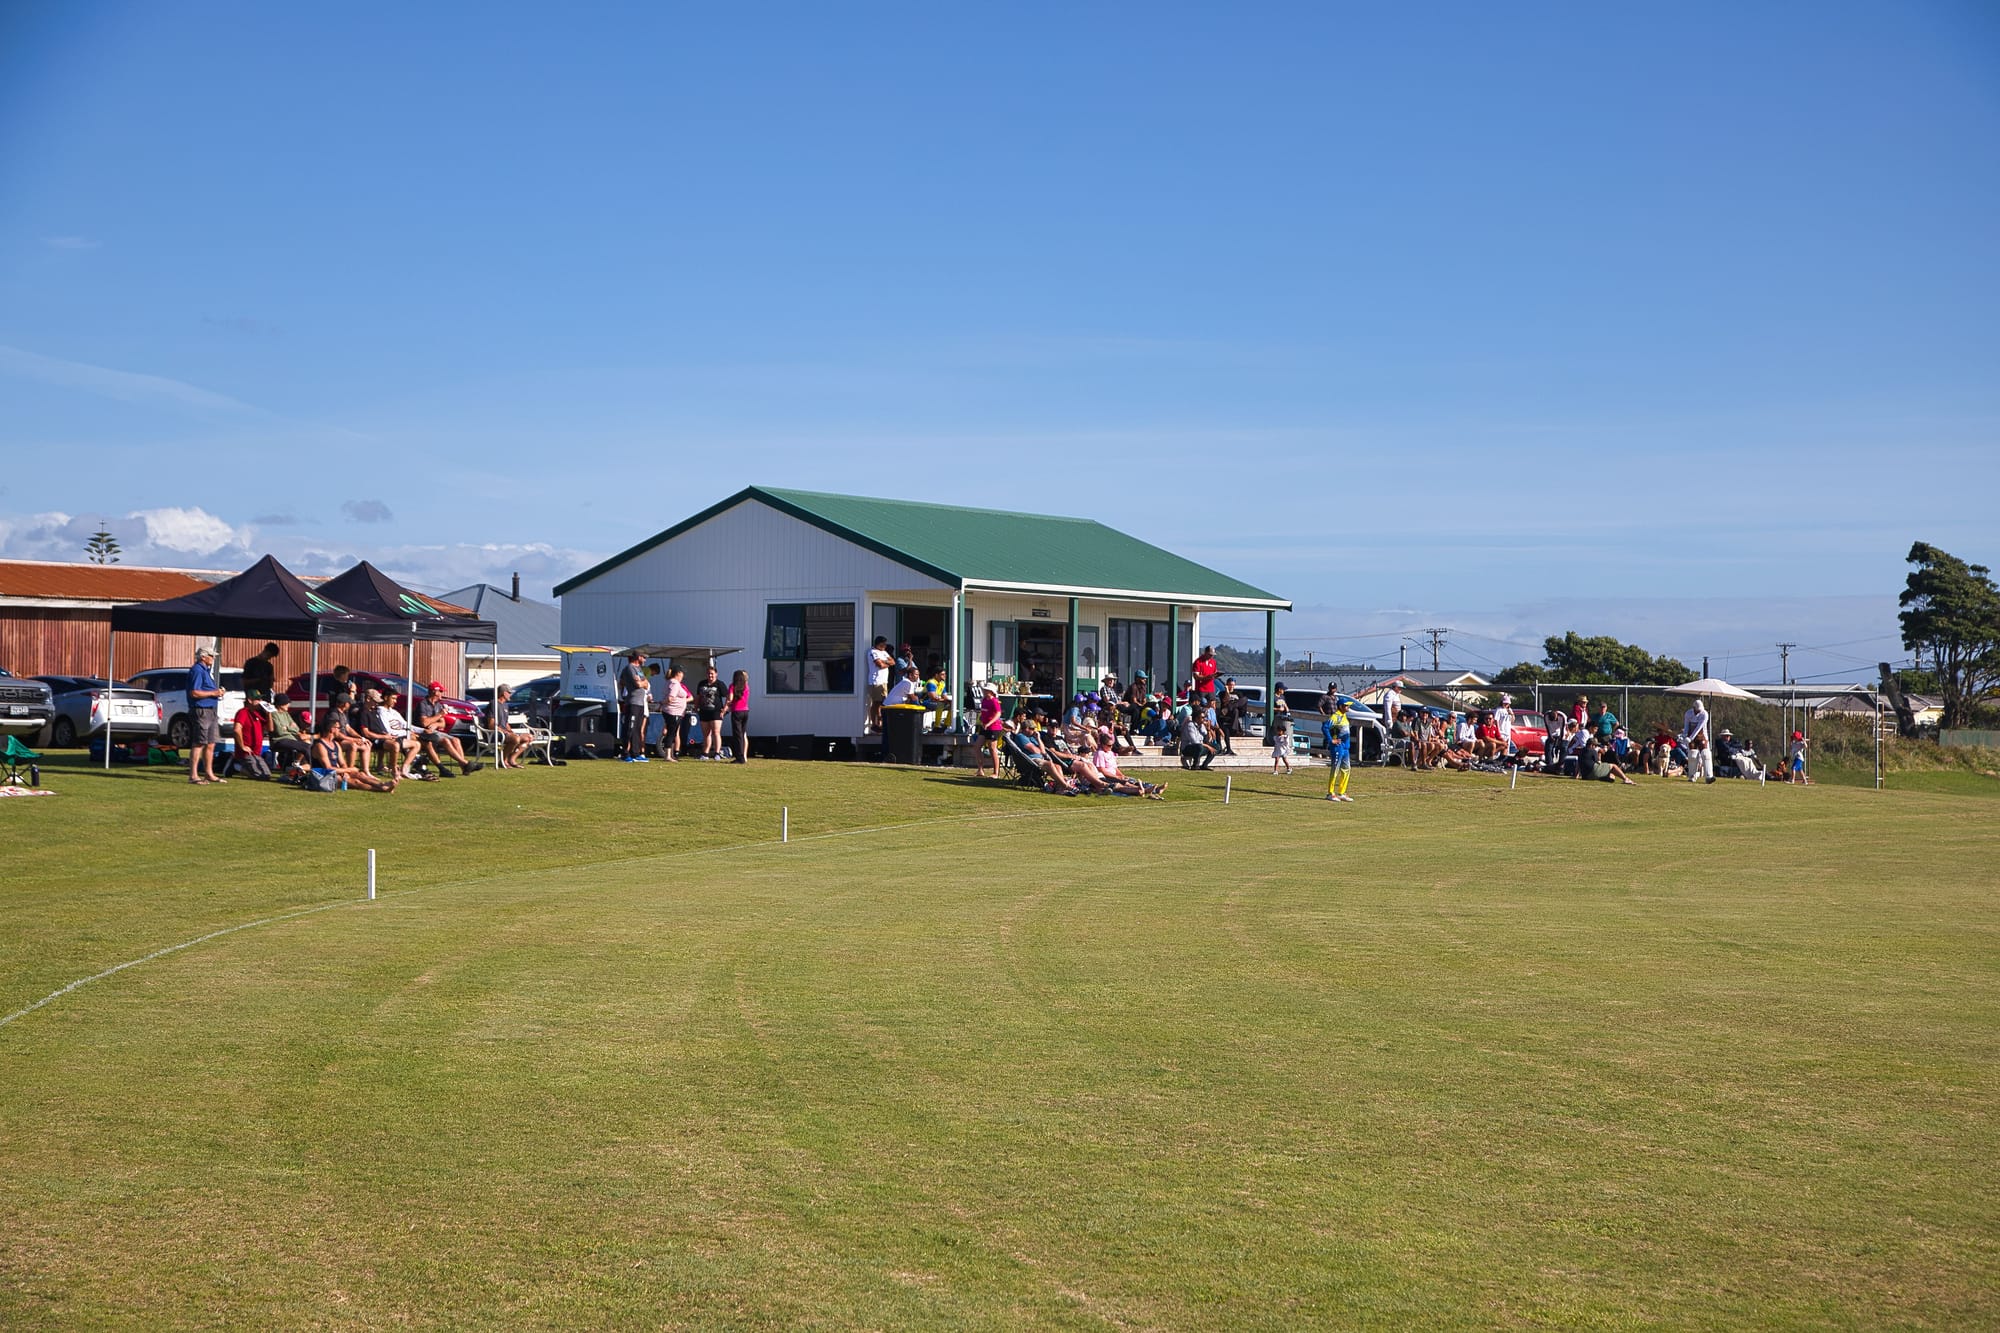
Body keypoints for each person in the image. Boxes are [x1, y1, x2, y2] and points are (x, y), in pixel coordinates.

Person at [311, 711, 395, 792]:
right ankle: (382, 789)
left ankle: (382, 785)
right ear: (332, 729)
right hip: (323, 776)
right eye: (338, 728)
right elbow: (328, 768)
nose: (340, 730)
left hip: (337, 772)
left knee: (360, 775)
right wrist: (348, 770)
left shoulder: (335, 744)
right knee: (354, 782)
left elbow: (342, 763)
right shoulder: (320, 746)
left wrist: (345, 772)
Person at [416, 682, 478, 775]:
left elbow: (443, 724)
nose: (441, 694)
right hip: (424, 732)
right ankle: (465, 763)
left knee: (456, 740)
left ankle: (464, 767)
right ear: (434, 692)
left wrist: (436, 724)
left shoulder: (438, 705)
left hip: (435, 731)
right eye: (440, 691)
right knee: (445, 741)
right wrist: (439, 715)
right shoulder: (423, 704)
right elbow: (424, 723)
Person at [187, 646, 225, 785]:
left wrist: (217, 692)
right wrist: (214, 693)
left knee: (211, 743)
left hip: (211, 710)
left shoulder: (206, 671)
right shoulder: (197, 670)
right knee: (199, 742)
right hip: (201, 710)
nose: (213, 658)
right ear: (203, 657)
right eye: (211, 656)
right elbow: (194, 692)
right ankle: (193, 775)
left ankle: (209, 773)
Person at [376, 689, 427, 780]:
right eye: (393, 698)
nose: (395, 701)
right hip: (388, 738)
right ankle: (412, 762)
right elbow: (388, 730)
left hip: (399, 736)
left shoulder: (394, 712)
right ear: (386, 698)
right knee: (413, 738)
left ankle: (405, 769)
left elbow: (406, 725)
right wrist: (407, 733)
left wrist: (423, 731)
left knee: (418, 743)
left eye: (396, 699)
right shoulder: (380, 711)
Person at [265, 694, 313, 773]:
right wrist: (289, 727)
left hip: (290, 738)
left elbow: (296, 728)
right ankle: (314, 769)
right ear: (281, 704)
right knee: (306, 747)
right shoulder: (274, 714)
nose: (289, 705)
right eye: (287, 703)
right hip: (279, 740)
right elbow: (280, 731)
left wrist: (286, 727)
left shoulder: (286, 713)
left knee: (308, 744)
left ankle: (299, 765)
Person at [691, 665, 728, 760]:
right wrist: (696, 707)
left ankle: (717, 753)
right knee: (706, 733)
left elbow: (728, 697)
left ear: (716, 674)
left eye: (712, 674)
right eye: (708, 674)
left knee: (716, 732)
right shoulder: (701, 683)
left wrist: (724, 709)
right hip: (704, 711)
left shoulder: (720, 684)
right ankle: (705, 754)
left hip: (716, 712)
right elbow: (698, 697)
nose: (710, 675)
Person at [230, 698, 271, 778]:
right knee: (259, 775)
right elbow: (237, 729)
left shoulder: (257, 714)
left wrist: (268, 714)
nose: (260, 702)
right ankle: (236, 766)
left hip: (256, 753)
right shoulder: (243, 712)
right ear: (250, 700)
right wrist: (242, 746)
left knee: (267, 775)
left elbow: (270, 729)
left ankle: (239, 767)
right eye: (258, 700)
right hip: (246, 753)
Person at [657, 666, 691, 761]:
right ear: (678, 673)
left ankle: (670, 754)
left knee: (673, 732)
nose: (683, 675)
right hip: (673, 712)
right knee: (671, 733)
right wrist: (662, 702)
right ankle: (668, 755)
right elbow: (670, 698)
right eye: (682, 673)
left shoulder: (670, 682)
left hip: (674, 711)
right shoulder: (675, 683)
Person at [1324, 698, 1354, 801]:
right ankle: (1330, 793)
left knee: (1346, 769)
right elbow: (1325, 727)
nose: (1348, 707)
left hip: (1345, 747)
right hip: (1338, 747)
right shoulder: (1335, 716)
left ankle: (1342, 792)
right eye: (1346, 705)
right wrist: (1331, 740)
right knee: (1335, 769)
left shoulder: (1344, 716)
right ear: (1341, 706)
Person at [1681, 698, 1715, 784]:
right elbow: (1686, 726)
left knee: (1705, 754)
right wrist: (1684, 736)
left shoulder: (1704, 714)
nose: (1699, 711)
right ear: (1694, 708)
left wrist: (1690, 738)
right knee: (1692, 755)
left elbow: (1698, 728)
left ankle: (1709, 776)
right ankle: (1692, 776)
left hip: (1702, 737)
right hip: (1691, 736)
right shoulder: (1688, 713)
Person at [975, 682, 1005, 778]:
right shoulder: (984, 700)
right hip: (984, 727)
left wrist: (989, 723)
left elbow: (998, 714)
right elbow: (983, 712)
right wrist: (982, 720)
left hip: (994, 728)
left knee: (992, 749)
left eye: (986, 690)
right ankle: (980, 769)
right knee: (977, 746)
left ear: (991, 692)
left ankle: (996, 772)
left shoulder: (994, 701)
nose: (984, 692)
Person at [865, 636, 894, 732]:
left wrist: (885, 662)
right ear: (878, 644)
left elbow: (893, 662)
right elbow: (880, 665)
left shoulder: (884, 652)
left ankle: (880, 723)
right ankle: (875, 723)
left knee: (883, 702)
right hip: (876, 681)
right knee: (876, 703)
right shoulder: (872, 652)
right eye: (883, 644)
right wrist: (887, 664)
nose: (885, 646)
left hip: (884, 681)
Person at [726, 668, 751, 763]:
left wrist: (726, 707)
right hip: (745, 711)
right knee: (742, 734)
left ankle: (739, 757)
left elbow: (730, 699)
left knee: (737, 735)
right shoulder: (746, 687)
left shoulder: (732, 686)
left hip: (737, 711)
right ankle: (743, 756)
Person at [1270, 684, 1293, 775]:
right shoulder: (1273, 697)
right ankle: (1275, 770)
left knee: (1284, 758)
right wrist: (1278, 709)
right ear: (1279, 689)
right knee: (1277, 758)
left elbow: (1285, 704)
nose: (1283, 691)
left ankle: (1288, 768)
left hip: (1283, 718)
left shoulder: (1282, 697)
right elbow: (1269, 707)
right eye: (1283, 689)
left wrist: (1287, 709)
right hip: (1276, 718)